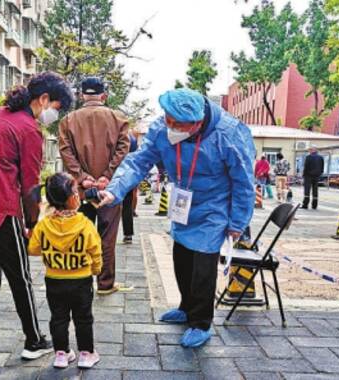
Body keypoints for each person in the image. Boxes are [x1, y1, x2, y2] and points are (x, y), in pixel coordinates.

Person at [97, 88, 255, 348]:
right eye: (167, 119)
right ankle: (186, 306)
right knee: (182, 255)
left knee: (203, 263)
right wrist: (115, 191)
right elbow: (138, 162)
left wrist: (238, 222)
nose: (169, 127)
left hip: (214, 206)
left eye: (177, 124)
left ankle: (201, 322)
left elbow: (243, 182)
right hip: (184, 200)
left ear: (196, 123)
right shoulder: (162, 129)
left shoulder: (228, 134)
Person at [0, 72, 74, 369]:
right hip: (1, 212)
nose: (53, 115)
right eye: (56, 108)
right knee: (21, 279)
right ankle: (34, 341)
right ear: (43, 99)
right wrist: (32, 223)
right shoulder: (29, 129)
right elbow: (29, 183)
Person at [58, 76, 130, 295]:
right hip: (108, 189)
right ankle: (105, 284)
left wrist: (82, 177)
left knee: (80, 234)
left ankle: (81, 280)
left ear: (81, 95)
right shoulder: (118, 119)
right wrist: (107, 175)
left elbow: (66, 151)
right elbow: (123, 149)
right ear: (104, 96)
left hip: (79, 191)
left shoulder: (68, 120)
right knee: (106, 237)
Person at [28, 173, 102, 369]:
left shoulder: (44, 224)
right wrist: (96, 269)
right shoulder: (84, 223)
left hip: (54, 280)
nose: (79, 195)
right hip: (81, 280)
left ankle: (62, 354)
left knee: (58, 318)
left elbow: (33, 249)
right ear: (71, 198)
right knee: (83, 318)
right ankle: (86, 354)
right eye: (76, 192)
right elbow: (95, 250)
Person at [121, 130, 139, 244]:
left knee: (109, 206)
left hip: (114, 173)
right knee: (127, 205)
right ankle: (128, 234)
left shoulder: (116, 136)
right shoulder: (132, 138)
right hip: (128, 173)